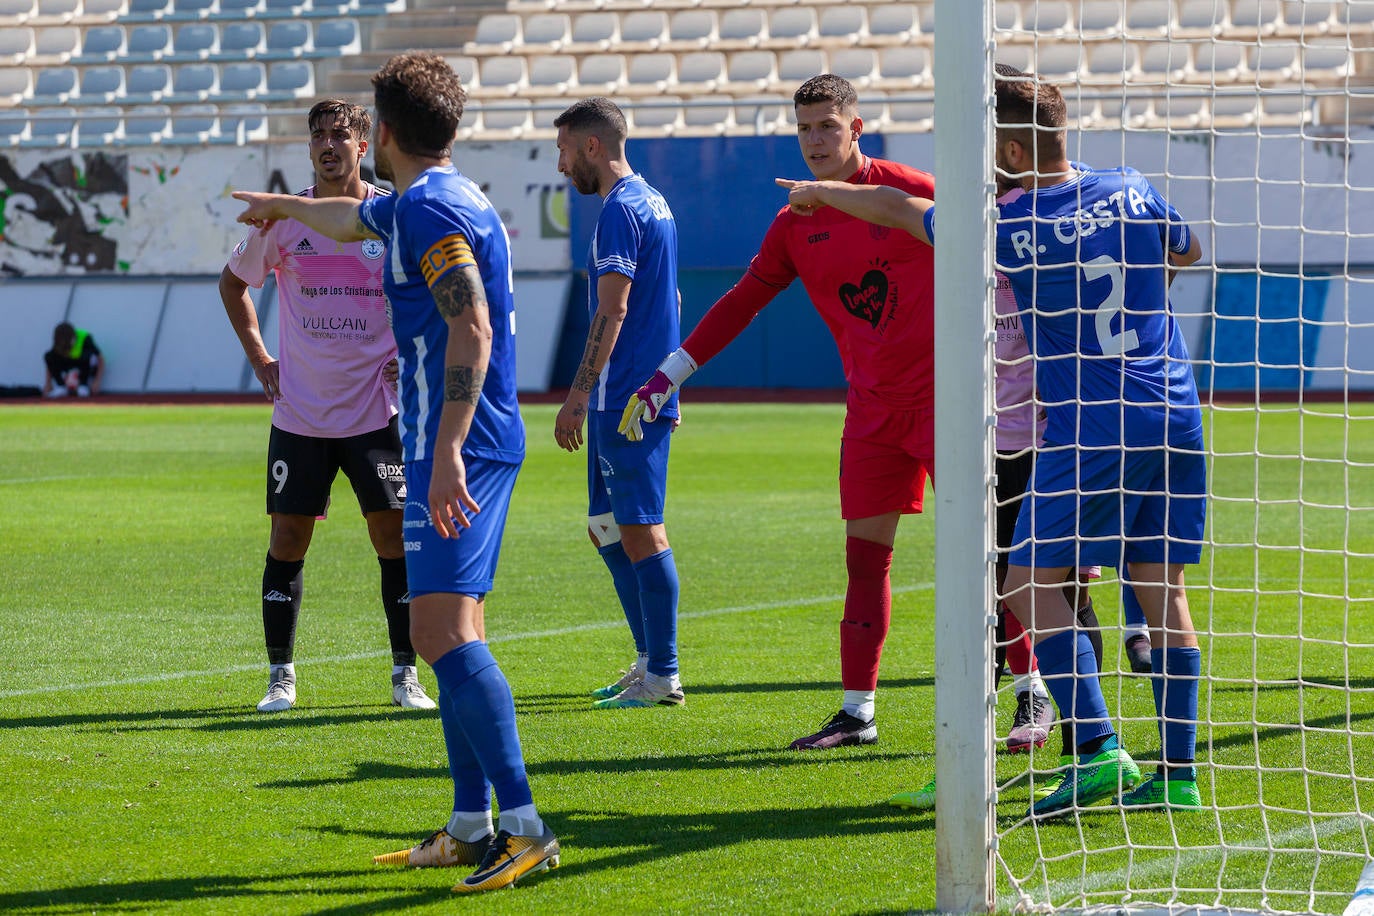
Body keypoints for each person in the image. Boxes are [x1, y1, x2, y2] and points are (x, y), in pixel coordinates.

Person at [776, 65, 1207, 818]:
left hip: (1086, 424)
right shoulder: (1133, 186)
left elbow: (901, 207)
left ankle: (1098, 748)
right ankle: (1176, 774)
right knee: (1160, 590)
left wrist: (823, 194)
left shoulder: (1006, 226)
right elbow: (1185, 252)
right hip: (1174, 408)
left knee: (1024, 586)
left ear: (1005, 151)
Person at [622, 73, 1044, 752]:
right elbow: (742, 302)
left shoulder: (907, 187)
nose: (814, 140)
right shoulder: (796, 223)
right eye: (804, 128)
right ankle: (857, 713)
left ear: (856, 128)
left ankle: (1032, 695)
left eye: (827, 126)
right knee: (864, 561)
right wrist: (669, 375)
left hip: (955, 405)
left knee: (988, 558)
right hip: (874, 413)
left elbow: (1002, 234)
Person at [232, 52, 560, 891]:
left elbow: (473, 329)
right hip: (459, 437)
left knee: (437, 632)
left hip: (460, 444)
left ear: (383, 132)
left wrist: (446, 448)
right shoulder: (435, 200)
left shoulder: (426, 209)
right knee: (455, 629)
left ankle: (524, 827)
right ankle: (467, 823)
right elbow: (352, 224)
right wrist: (281, 207)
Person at [221, 98, 435, 715]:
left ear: (363, 147)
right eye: (318, 135)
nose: (328, 144)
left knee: (392, 537)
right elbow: (233, 284)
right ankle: (280, 677)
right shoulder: (282, 220)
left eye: (340, 135)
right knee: (287, 538)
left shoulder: (385, 219)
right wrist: (262, 359)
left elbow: (429, 291)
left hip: (377, 410)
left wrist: (412, 353)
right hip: (301, 415)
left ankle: (405, 675)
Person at [552, 97, 685, 709]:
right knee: (606, 527)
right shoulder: (651, 201)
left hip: (624, 396)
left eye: (562, 150)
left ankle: (665, 673)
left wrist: (577, 394)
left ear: (591, 148)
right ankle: (648, 659)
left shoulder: (620, 212)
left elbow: (614, 308)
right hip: (632, 392)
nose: (560, 166)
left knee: (640, 531)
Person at [43, 322, 103, 397]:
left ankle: (83, 385)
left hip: (83, 365)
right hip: (68, 366)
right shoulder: (59, 341)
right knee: (49, 356)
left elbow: (100, 359)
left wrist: (97, 381)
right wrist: (48, 383)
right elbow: (50, 362)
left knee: (89, 356)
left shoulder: (84, 337)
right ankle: (61, 386)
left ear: (73, 337)